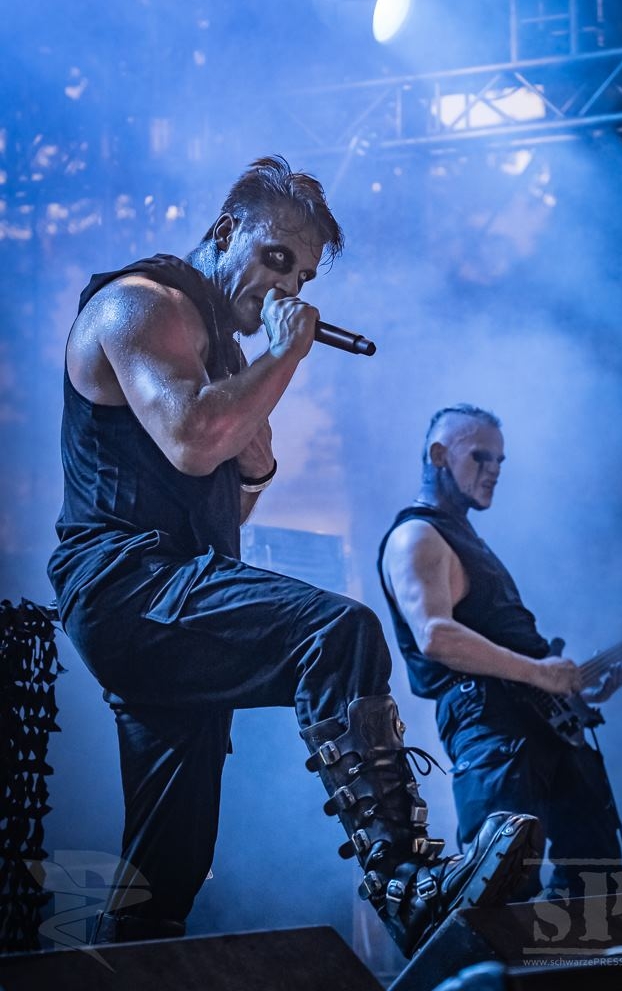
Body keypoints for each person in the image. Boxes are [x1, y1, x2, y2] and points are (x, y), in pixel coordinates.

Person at [47, 159, 540, 959]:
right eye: (276, 259)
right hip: (129, 588)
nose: (287, 287)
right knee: (337, 633)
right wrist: (284, 358)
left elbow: (225, 512)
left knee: (166, 871)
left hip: (174, 599)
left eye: (303, 276)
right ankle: (407, 880)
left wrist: (256, 470)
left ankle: (119, 967)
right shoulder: (142, 305)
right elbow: (193, 440)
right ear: (224, 232)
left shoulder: (220, 357)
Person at [378, 404, 622, 899]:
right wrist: (539, 672)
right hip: (489, 725)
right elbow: (436, 636)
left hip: (537, 722)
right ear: (438, 456)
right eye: (480, 457)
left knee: (597, 878)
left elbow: (505, 647)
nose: (494, 470)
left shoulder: (465, 537)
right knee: (502, 889)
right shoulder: (416, 536)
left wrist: (573, 690)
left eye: (499, 461)